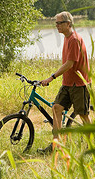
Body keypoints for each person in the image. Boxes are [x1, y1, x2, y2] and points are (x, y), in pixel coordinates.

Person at [39, 11, 91, 154]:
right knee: (56, 108)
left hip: (80, 84)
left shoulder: (74, 39)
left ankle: (93, 144)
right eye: (55, 23)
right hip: (68, 83)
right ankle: (56, 146)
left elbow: (69, 64)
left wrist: (51, 77)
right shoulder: (67, 38)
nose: (57, 26)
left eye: (59, 23)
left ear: (68, 24)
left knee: (83, 115)